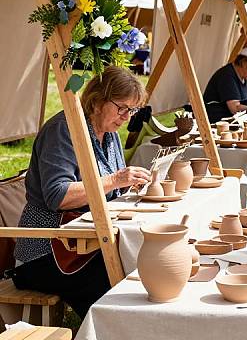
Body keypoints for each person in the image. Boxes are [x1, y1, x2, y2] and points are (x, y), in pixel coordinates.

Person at [12, 67, 152, 318]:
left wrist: (129, 185)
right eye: (121, 108)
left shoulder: (110, 135)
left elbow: (111, 190)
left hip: (85, 245)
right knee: (113, 288)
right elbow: (59, 195)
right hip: (47, 251)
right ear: (97, 100)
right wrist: (114, 180)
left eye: (132, 110)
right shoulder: (64, 130)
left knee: (141, 267)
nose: (126, 117)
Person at [203, 51, 247, 123]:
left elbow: (245, 102)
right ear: (243, 62)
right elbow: (234, 107)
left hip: (231, 123)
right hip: (216, 123)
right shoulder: (227, 75)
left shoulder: (244, 76)